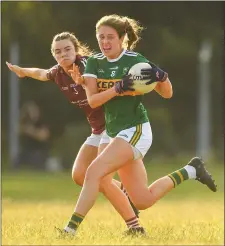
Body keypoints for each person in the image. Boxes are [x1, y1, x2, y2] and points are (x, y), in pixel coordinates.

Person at [62, 14, 217, 236]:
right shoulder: (95, 62)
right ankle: (191, 170)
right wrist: (117, 88)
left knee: (94, 172)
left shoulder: (136, 61)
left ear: (122, 38)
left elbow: (167, 93)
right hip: (113, 132)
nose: (105, 42)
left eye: (110, 38)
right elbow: (93, 100)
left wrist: (162, 77)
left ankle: (70, 230)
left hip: (136, 130)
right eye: (101, 38)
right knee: (142, 199)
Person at [6, 32, 144, 234]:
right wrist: (22, 71)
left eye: (67, 49)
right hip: (98, 130)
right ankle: (124, 194)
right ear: (54, 55)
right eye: (58, 51)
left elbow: (117, 83)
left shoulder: (91, 66)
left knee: (99, 179)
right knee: (79, 175)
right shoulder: (58, 73)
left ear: (76, 49)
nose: (63, 54)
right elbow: (41, 73)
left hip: (115, 126)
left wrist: (86, 83)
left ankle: (131, 227)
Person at [13, 101, 50, 170]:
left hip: (39, 151)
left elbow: (43, 136)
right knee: (16, 162)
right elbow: (17, 130)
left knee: (37, 160)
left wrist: (31, 131)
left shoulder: (41, 123)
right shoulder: (26, 122)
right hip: (27, 151)